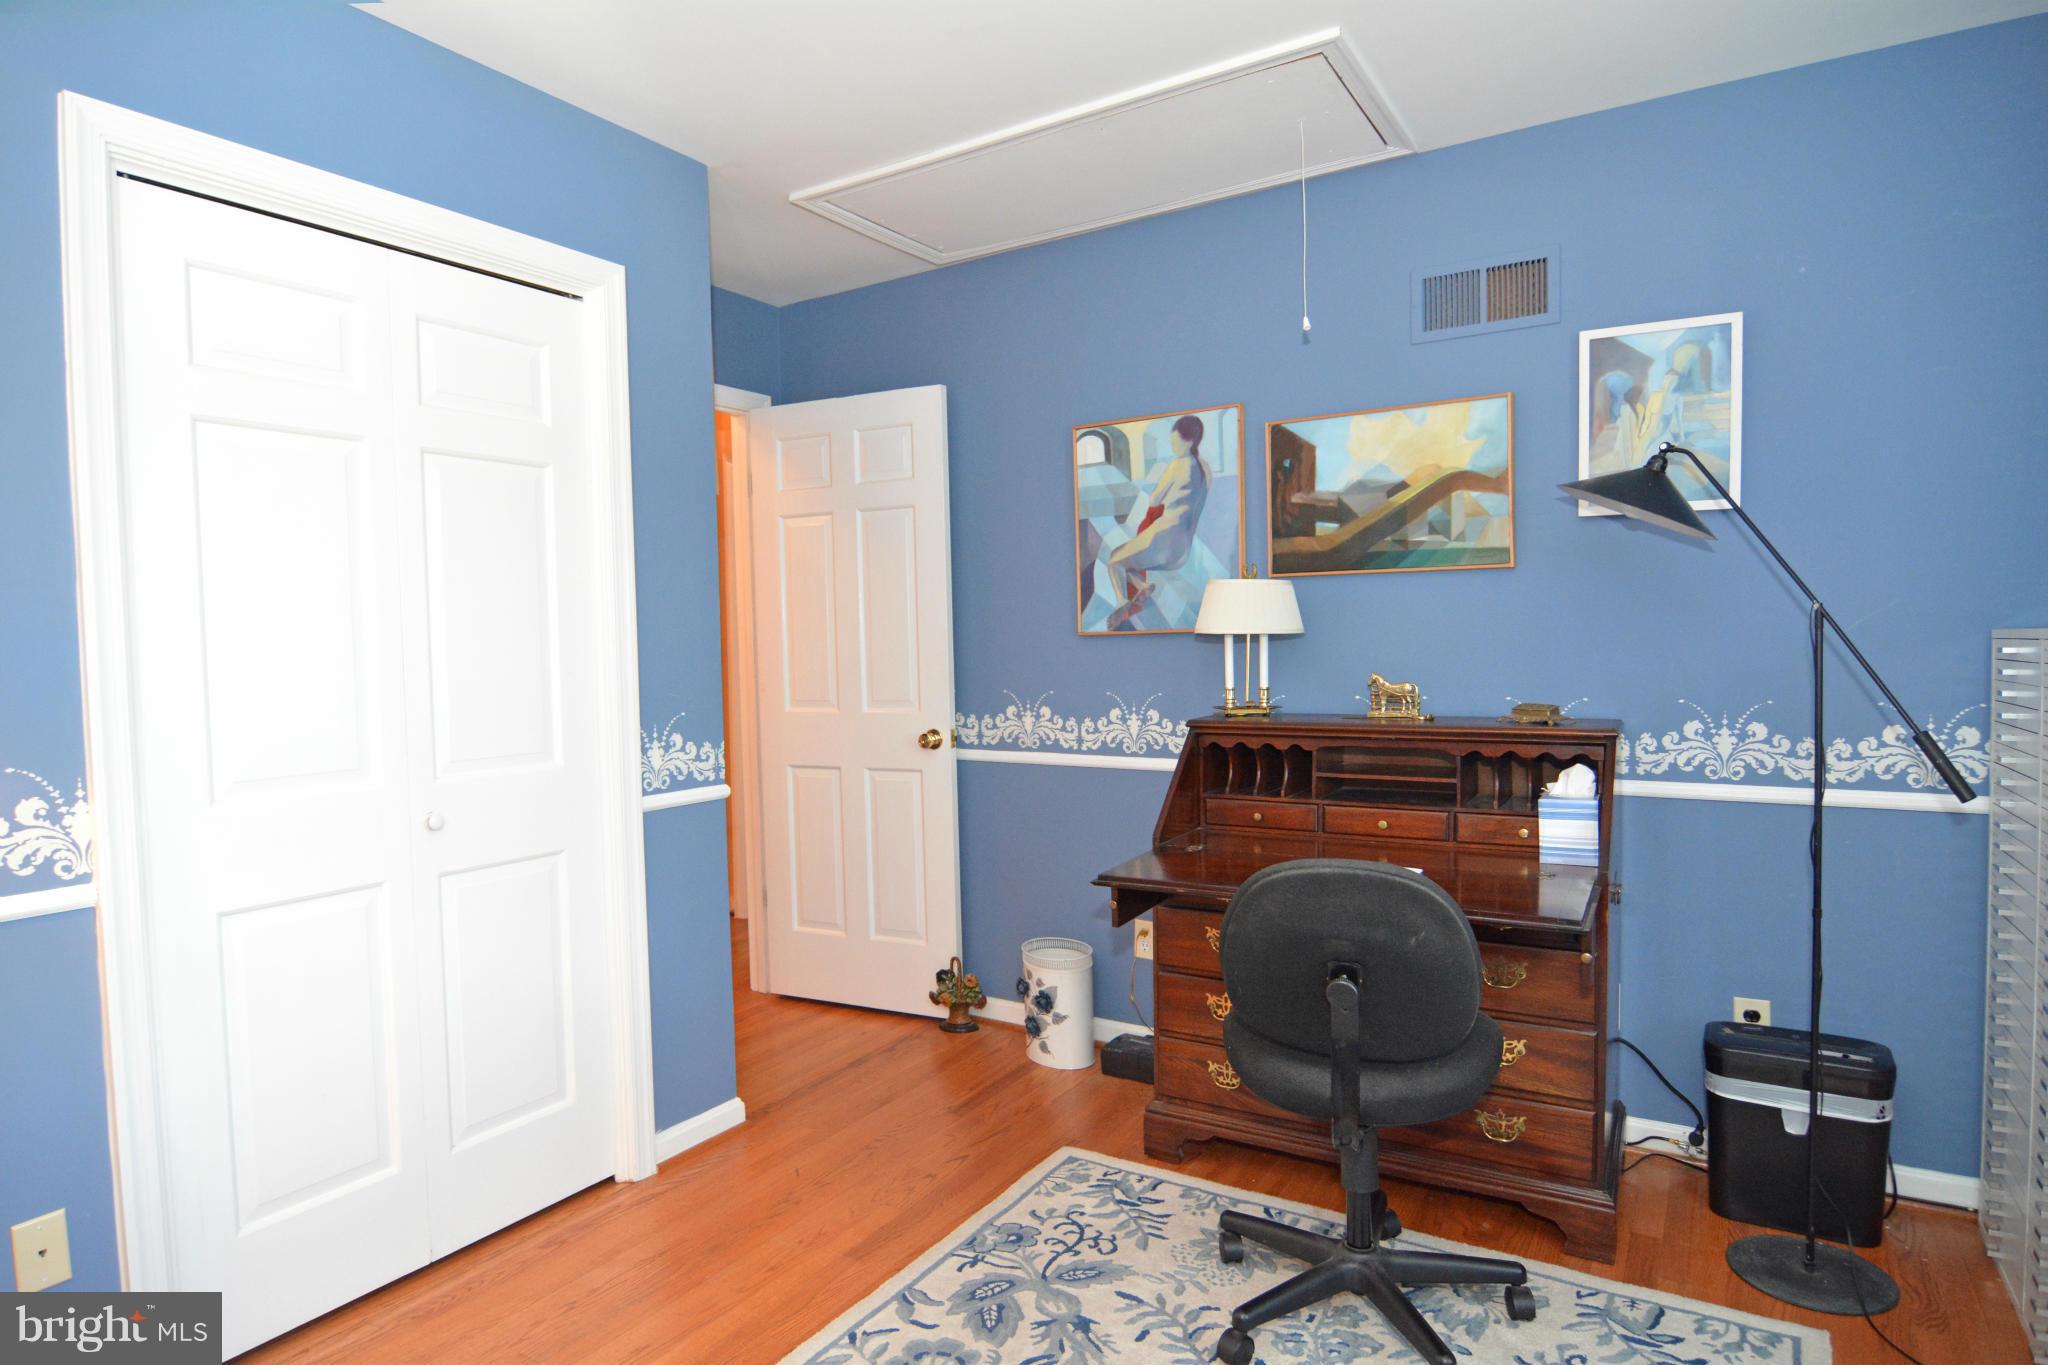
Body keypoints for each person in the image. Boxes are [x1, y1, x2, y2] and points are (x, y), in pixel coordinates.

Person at [1105, 413, 1211, 631]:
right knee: (1131, 562)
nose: (1173, 447)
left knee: (1115, 560)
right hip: (1181, 550)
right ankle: (1142, 586)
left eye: (1175, 442)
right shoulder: (1202, 470)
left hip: (1164, 535)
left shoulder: (1177, 464)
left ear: (1188, 440)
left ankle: (1122, 602)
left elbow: (1155, 499)